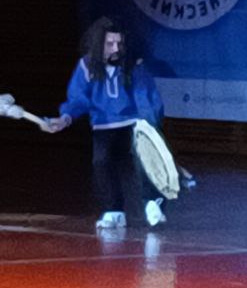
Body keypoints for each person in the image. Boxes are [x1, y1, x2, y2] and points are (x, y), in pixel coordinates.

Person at [45, 17, 168, 230]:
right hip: (104, 126)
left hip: (134, 122)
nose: (116, 48)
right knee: (101, 163)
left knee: (145, 161)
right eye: (110, 44)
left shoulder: (133, 64)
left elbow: (145, 96)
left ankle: (152, 204)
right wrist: (65, 118)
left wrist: (150, 125)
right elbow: (78, 98)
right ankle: (114, 211)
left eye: (119, 43)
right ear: (98, 44)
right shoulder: (87, 66)